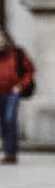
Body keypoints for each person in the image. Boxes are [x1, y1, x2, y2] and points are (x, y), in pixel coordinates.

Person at [0, 29, 35, 165]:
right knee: (3, 122)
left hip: (12, 93)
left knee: (9, 119)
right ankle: (8, 152)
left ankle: (11, 153)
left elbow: (29, 70)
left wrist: (21, 85)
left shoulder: (17, 53)